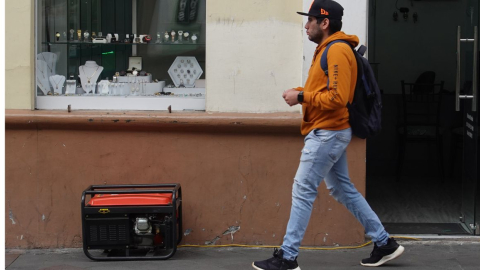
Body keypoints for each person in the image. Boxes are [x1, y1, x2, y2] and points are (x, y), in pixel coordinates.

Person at [252, 1, 404, 269]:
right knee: (341, 188)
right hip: (328, 130)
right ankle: (384, 243)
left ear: (325, 23)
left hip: (328, 133)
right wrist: (301, 92)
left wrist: (300, 96)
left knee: (302, 189)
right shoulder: (326, 49)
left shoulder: (336, 51)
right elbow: (325, 89)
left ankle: (287, 257)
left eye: (310, 20)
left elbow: (337, 98)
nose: (306, 25)